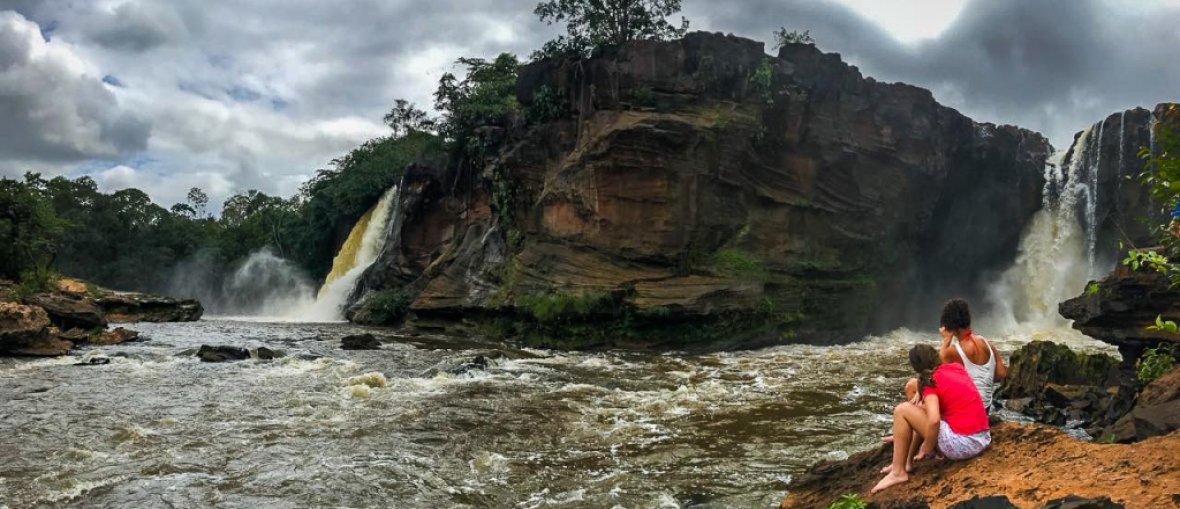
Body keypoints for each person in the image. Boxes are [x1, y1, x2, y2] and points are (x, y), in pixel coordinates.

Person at [871, 344, 992, 494]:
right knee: (919, 410)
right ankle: (905, 463)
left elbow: (934, 419)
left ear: (916, 368)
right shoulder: (956, 367)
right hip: (982, 438)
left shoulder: (931, 382)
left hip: (963, 445)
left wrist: (926, 447)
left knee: (902, 410)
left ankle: (898, 473)